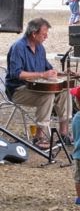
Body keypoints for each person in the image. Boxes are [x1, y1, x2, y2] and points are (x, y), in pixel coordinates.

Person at [5, 18, 73, 149]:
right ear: (34, 34)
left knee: (65, 90)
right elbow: (16, 74)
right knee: (46, 96)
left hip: (36, 87)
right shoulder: (18, 47)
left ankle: (63, 133)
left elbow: (48, 70)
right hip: (18, 90)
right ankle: (38, 138)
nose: (46, 36)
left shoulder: (40, 48)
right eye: (44, 34)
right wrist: (41, 75)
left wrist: (63, 73)